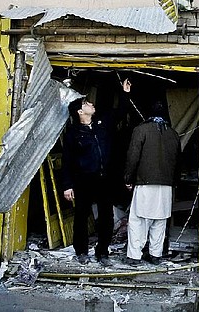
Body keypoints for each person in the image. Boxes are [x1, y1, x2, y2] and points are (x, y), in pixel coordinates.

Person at [61, 79, 132, 266]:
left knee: (106, 218)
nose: (91, 104)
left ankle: (103, 253)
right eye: (86, 104)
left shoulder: (102, 123)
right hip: (83, 180)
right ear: (79, 112)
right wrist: (67, 185)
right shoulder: (73, 134)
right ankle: (82, 251)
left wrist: (125, 94)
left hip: (104, 179)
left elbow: (121, 113)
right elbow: (67, 161)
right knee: (82, 217)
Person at [123, 100, 180, 265]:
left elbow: (132, 157)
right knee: (160, 221)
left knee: (138, 221)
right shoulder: (173, 134)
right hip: (167, 185)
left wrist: (128, 178)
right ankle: (155, 255)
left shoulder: (140, 130)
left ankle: (134, 256)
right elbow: (178, 162)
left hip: (145, 183)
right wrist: (174, 183)